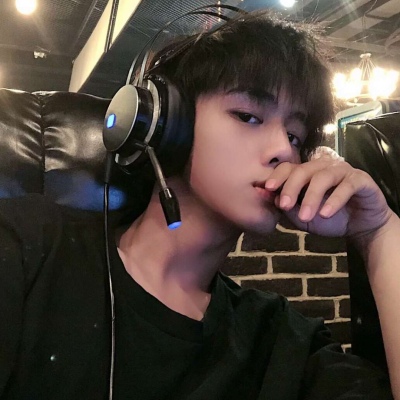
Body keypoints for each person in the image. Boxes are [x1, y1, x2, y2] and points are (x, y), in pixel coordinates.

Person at [0, 9, 399, 400]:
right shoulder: (29, 245)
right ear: (165, 124)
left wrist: (379, 231)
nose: (283, 149)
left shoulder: (280, 339)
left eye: (294, 136)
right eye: (248, 116)